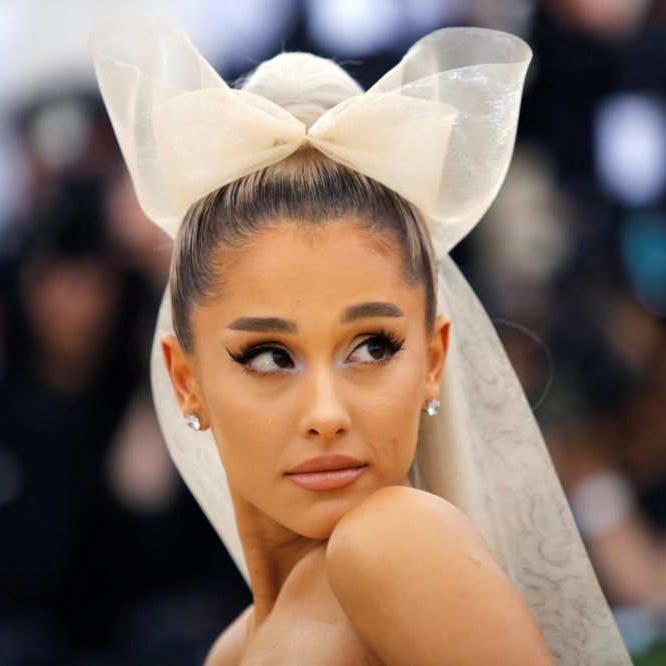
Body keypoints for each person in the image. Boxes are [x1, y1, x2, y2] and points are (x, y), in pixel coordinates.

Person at [91, 16, 631, 665]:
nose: (326, 414)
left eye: (372, 347)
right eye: (269, 356)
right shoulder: (231, 651)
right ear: (186, 380)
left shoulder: (390, 544)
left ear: (434, 359)